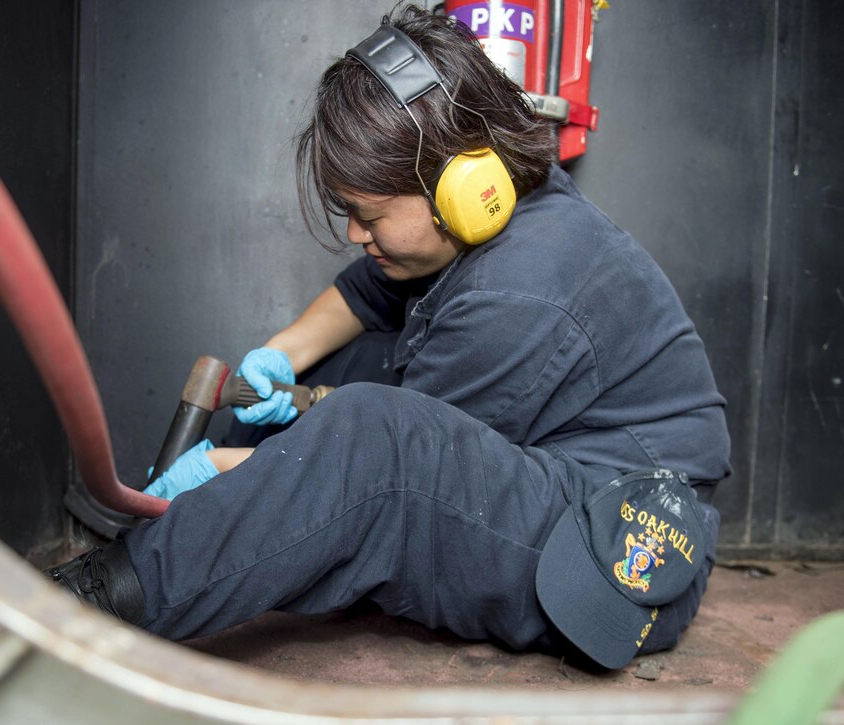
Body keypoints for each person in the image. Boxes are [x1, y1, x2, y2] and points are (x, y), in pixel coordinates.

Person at [48, 5, 731, 670]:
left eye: (366, 213)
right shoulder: (497, 205)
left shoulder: (522, 286)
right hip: (554, 470)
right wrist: (282, 356)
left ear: (460, 187)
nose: (352, 232)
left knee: (368, 438)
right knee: (358, 367)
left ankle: (98, 599)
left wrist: (215, 476)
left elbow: (369, 475)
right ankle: (191, 526)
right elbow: (366, 295)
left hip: (620, 539)